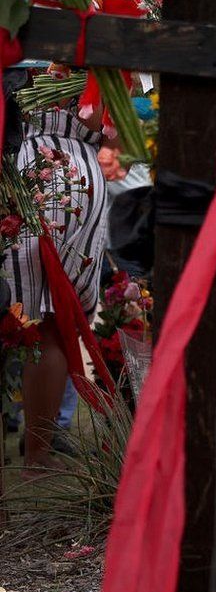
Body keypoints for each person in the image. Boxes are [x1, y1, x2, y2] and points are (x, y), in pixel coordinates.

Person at [2, 101, 109, 475]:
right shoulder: (101, 58)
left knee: (27, 318)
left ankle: (35, 454)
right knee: (51, 325)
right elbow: (101, 119)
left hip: (29, 160)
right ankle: (37, 455)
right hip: (79, 171)